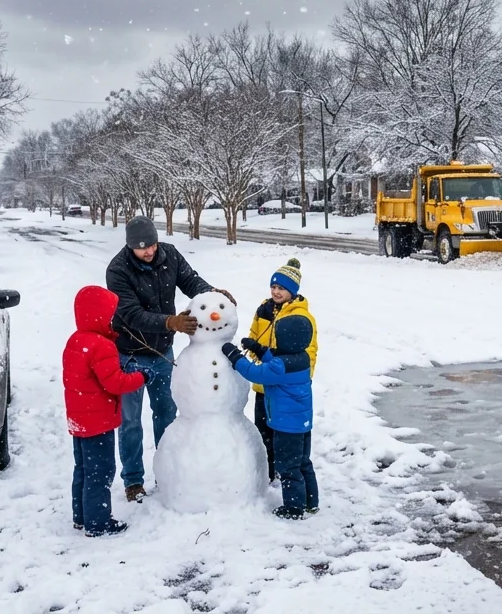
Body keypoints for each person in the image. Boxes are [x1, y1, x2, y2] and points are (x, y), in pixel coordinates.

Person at [106, 215, 234, 502]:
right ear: (130, 247)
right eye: (141, 248)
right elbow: (130, 314)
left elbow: (191, 281)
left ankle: (168, 472)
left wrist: (214, 296)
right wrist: (171, 323)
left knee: (167, 415)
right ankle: (133, 481)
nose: (148, 251)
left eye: (151, 244)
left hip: (163, 352)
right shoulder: (117, 270)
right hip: (130, 355)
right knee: (130, 422)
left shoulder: (170, 255)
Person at [62, 285, 147, 537]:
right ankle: (98, 523)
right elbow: (116, 383)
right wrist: (142, 376)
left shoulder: (76, 340)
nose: (113, 319)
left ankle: (81, 516)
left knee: (84, 468)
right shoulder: (101, 346)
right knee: (101, 471)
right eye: (110, 314)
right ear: (97, 314)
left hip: (80, 420)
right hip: (97, 422)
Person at [221, 310, 318, 519]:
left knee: (288, 466)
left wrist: (235, 357)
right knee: (303, 462)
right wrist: (259, 349)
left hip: (286, 426)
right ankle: (311, 501)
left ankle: (294, 508)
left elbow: (254, 373)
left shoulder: (280, 367)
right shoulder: (301, 358)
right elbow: (278, 359)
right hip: (302, 423)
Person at [240, 258, 318, 482]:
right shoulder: (264, 309)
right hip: (264, 383)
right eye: (273, 287)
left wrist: (300, 377)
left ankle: (285, 472)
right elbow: (256, 334)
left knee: (283, 434)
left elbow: (310, 351)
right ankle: (268, 470)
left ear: (292, 291)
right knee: (263, 429)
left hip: (285, 386)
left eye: (281, 288)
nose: (276, 291)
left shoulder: (300, 317)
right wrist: (255, 352)